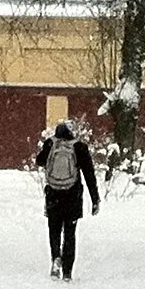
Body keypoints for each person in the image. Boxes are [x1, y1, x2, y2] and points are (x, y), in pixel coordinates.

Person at [35, 119, 101, 280]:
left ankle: (56, 257)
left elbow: (40, 161)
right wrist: (95, 199)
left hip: (53, 195)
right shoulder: (79, 147)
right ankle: (67, 272)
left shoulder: (51, 144)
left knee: (54, 230)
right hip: (72, 196)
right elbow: (89, 175)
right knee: (70, 233)